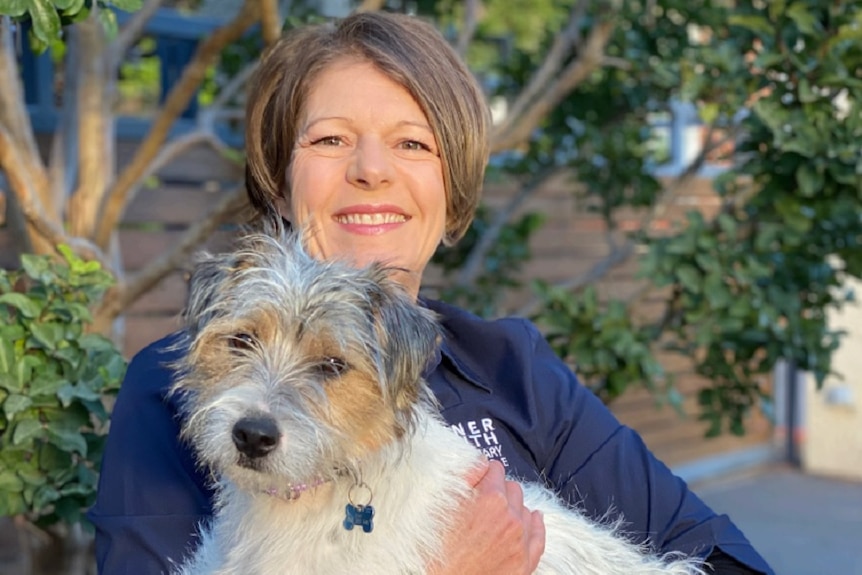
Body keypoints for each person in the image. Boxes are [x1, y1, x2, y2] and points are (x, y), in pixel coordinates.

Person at [89, 10, 774, 575]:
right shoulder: (172, 388)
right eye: (331, 138)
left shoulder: (514, 365)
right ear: (278, 178)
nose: (372, 170)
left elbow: (730, 562)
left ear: (453, 195)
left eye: (413, 144)